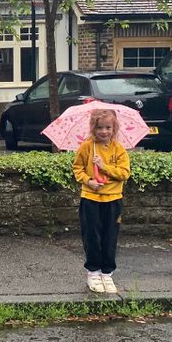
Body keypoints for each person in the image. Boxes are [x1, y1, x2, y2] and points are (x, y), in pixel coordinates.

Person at [72, 107, 131, 295]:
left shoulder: (119, 149)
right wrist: (89, 181)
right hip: (90, 198)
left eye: (108, 128)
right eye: (99, 128)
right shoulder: (87, 147)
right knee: (92, 236)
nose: (104, 132)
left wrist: (103, 167)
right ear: (93, 128)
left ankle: (107, 273)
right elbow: (77, 168)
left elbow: (124, 173)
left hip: (113, 199)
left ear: (114, 128)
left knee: (109, 237)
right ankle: (93, 272)